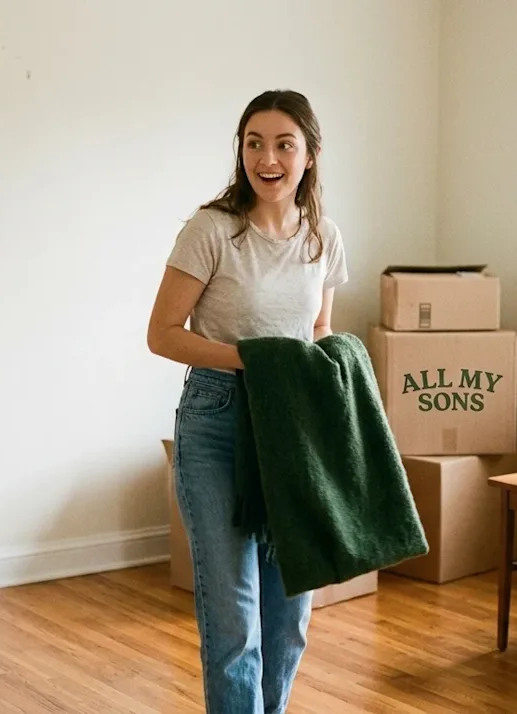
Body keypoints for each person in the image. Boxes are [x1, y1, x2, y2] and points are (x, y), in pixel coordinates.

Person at [146, 89, 348, 713]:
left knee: (289, 614)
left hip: (292, 425)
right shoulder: (211, 231)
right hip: (218, 420)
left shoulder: (323, 237)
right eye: (254, 142)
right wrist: (255, 360)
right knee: (235, 618)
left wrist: (319, 375)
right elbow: (162, 335)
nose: (268, 157)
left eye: (284, 143)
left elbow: (317, 329)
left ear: (310, 155)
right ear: (241, 152)